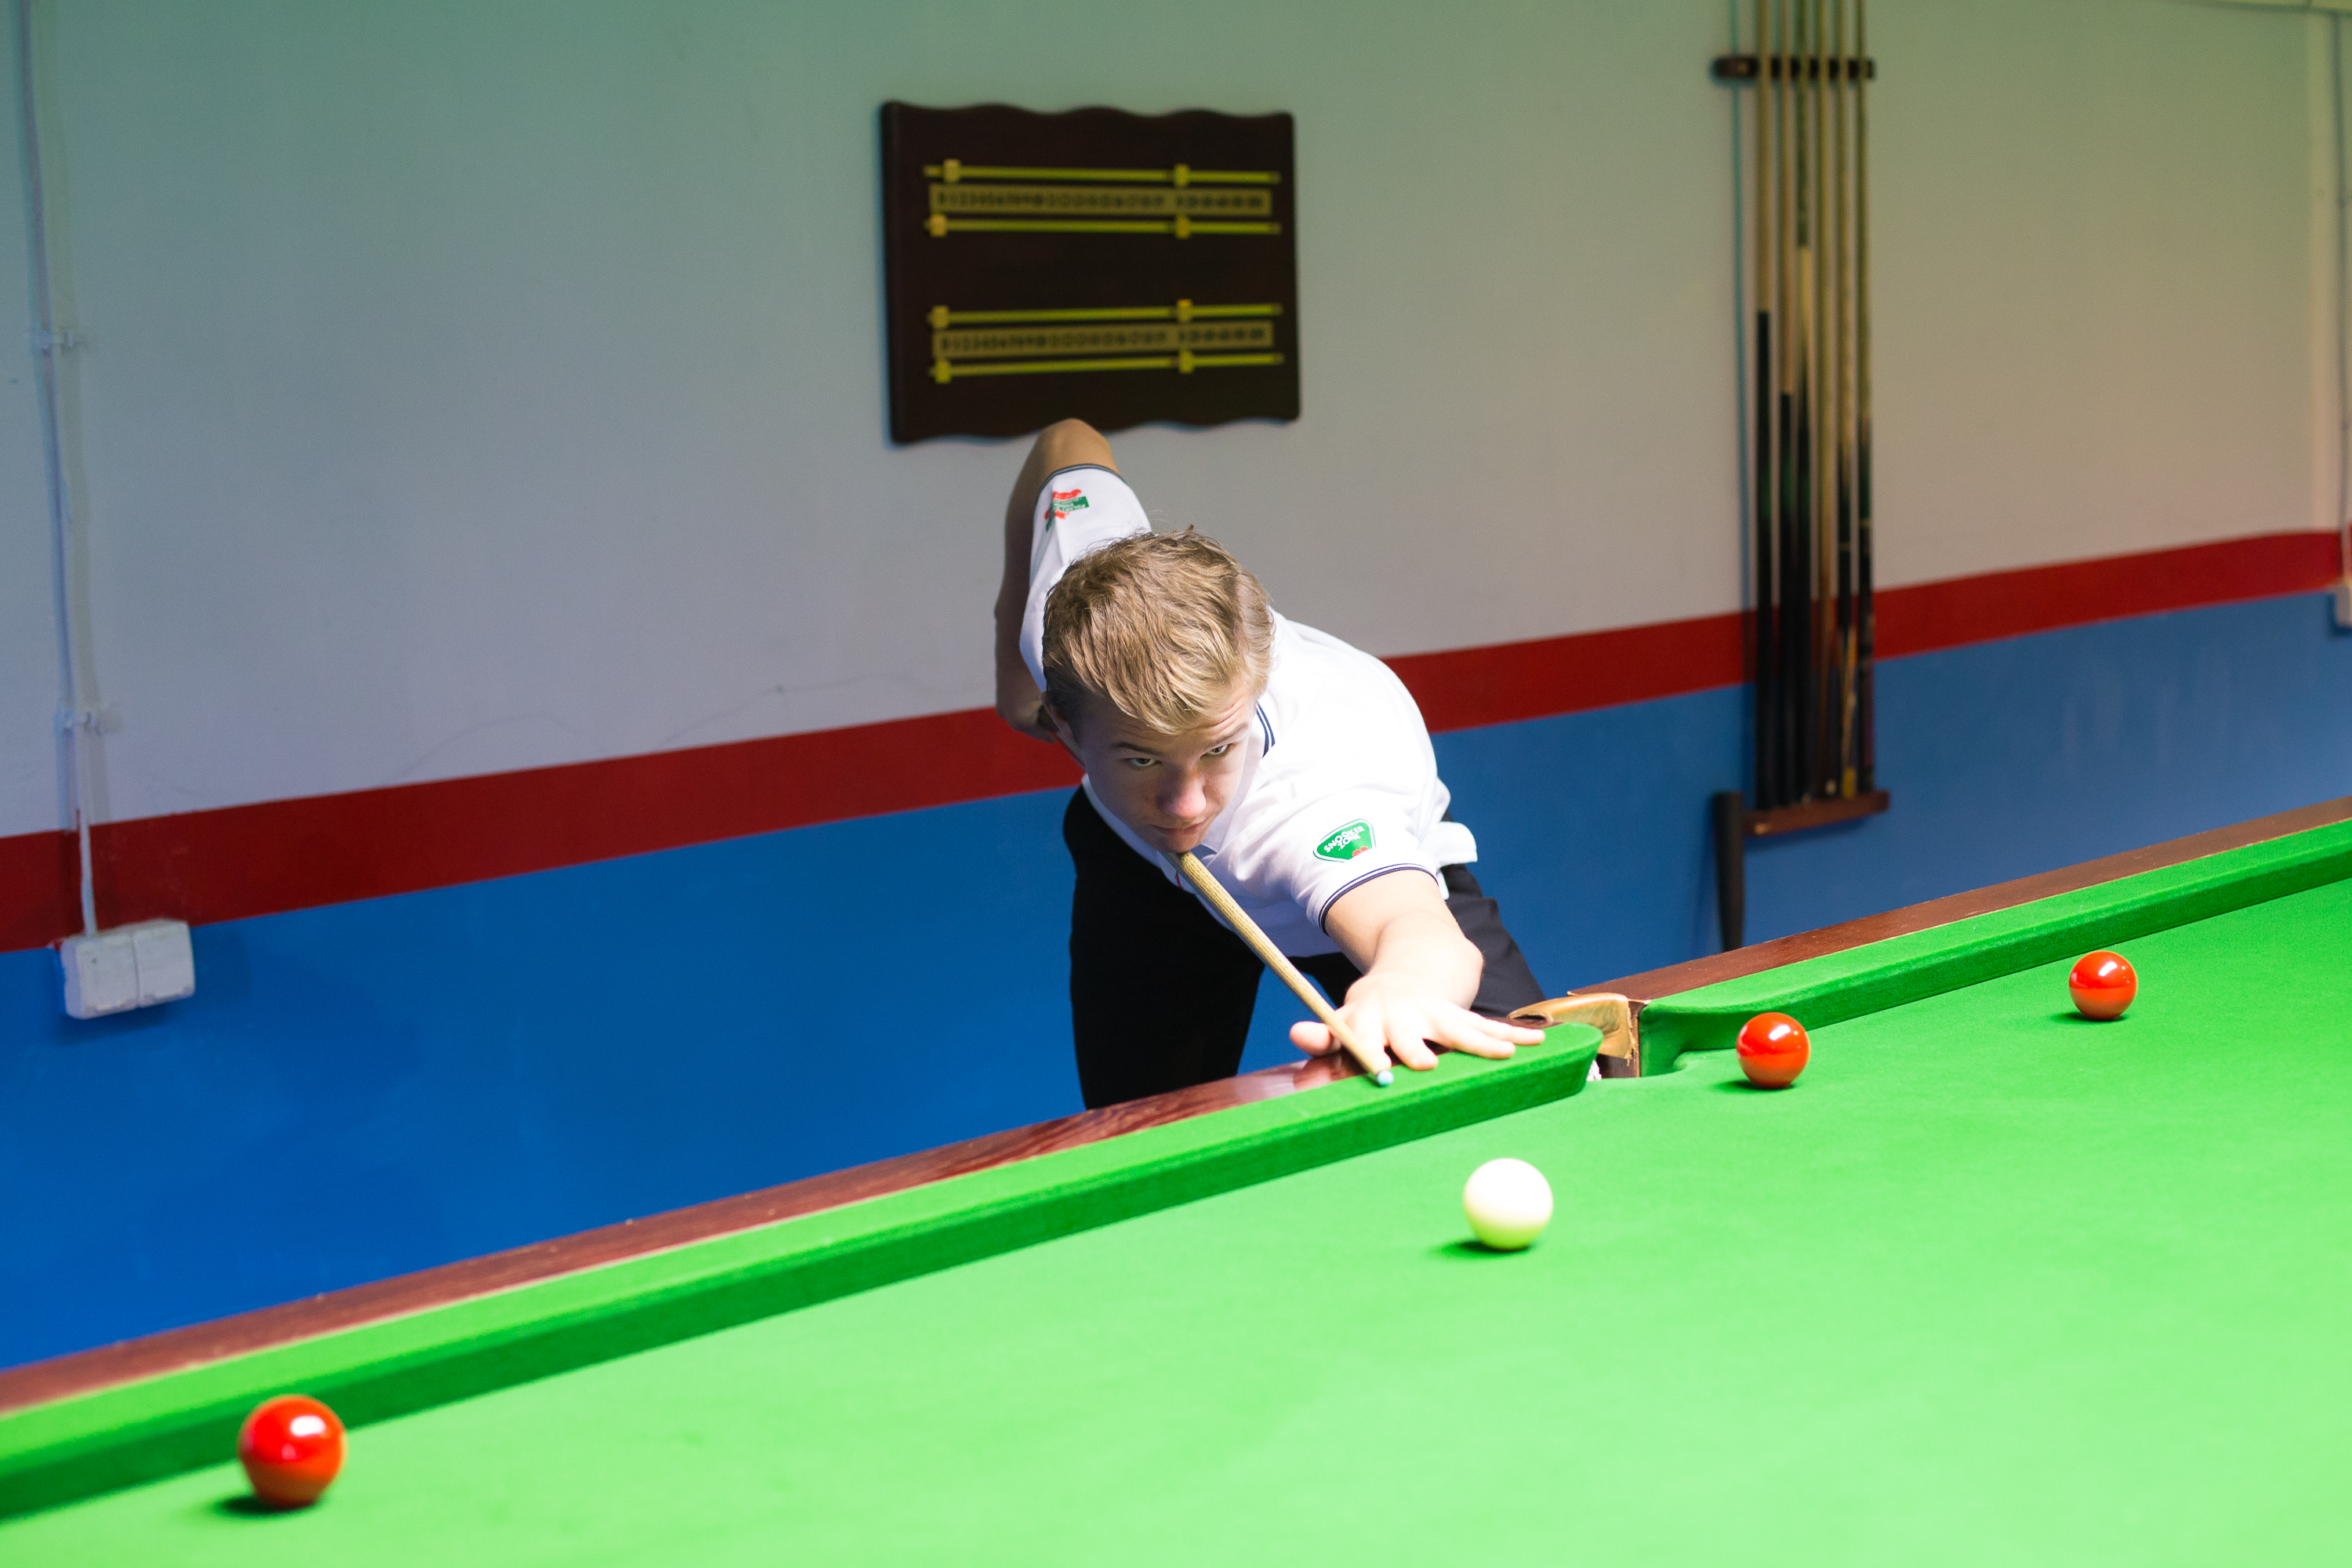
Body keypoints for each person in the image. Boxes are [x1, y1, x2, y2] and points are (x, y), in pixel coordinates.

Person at [994, 419, 1548, 1108]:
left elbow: (1415, 929)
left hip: (1351, 888)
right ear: (1065, 722)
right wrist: (1010, 661)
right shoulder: (1072, 606)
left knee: (1527, 1093)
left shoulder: (1311, 798)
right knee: (1141, 1131)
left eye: (1217, 749)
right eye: (1141, 758)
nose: (1187, 805)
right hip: (1145, 872)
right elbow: (1066, 441)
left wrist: (1400, 985)